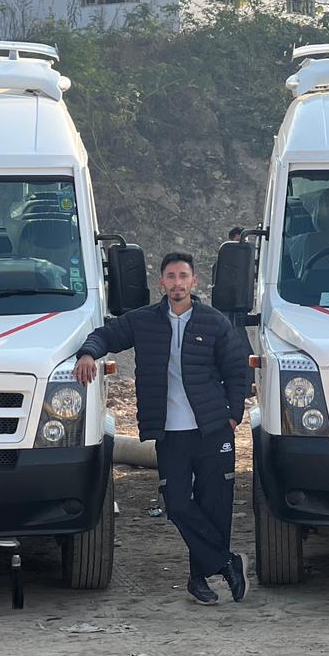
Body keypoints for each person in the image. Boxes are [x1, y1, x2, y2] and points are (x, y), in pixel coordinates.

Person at [74, 252, 250, 605]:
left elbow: (237, 369)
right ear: (161, 283)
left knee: (214, 506)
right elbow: (106, 334)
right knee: (178, 503)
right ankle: (227, 563)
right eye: (170, 276)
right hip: (170, 433)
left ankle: (198, 580)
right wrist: (88, 353)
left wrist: (233, 415)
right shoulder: (144, 321)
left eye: (183, 276)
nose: (177, 283)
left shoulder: (214, 322)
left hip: (212, 429)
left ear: (194, 281)